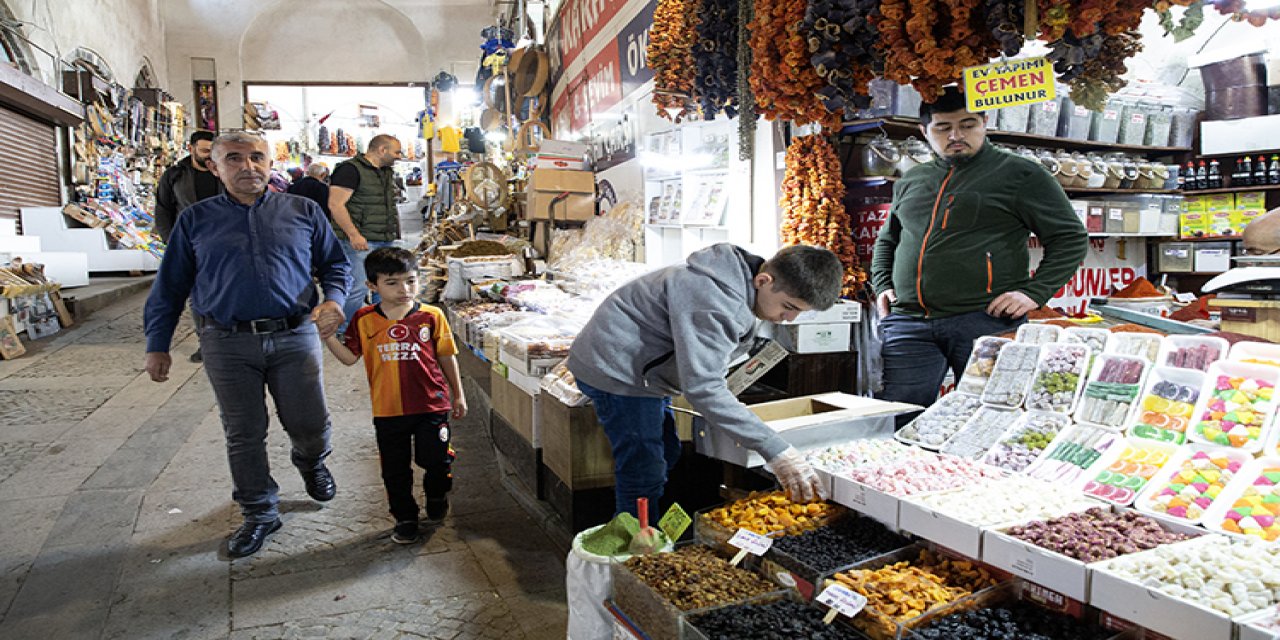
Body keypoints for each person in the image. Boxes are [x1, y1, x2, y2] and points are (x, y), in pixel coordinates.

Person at [142, 132, 351, 558]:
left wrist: (333, 299)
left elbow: (336, 264)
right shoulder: (195, 220)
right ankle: (259, 512)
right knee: (243, 432)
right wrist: (157, 342)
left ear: (271, 163)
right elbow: (170, 286)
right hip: (226, 341)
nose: (247, 167)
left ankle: (311, 461)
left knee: (309, 422)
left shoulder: (302, 210)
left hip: (295, 335)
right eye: (234, 159)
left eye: (257, 157)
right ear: (214, 168)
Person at [567, 243, 843, 516]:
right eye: (788, 306)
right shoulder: (715, 301)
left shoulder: (737, 278)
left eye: (799, 312)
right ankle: (634, 548)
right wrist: (777, 451)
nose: (788, 319)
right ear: (763, 280)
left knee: (667, 453)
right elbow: (702, 387)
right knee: (644, 469)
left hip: (646, 370)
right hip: (616, 370)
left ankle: (647, 522)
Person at [871, 86, 1088, 419]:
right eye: (943, 128)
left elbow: (1070, 238)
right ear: (924, 132)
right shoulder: (912, 180)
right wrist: (883, 283)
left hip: (983, 320)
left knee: (989, 415)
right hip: (909, 322)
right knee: (896, 417)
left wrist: (1035, 292)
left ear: (984, 123)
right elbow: (889, 239)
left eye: (968, 124)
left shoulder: (1021, 174)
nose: (956, 135)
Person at [322, 247, 467, 544]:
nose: (405, 289)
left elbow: (447, 357)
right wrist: (326, 337)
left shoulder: (432, 316)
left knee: (437, 461)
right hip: (388, 411)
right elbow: (350, 358)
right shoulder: (363, 320)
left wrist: (458, 395)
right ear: (372, 286)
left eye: (411, 281)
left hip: (431, 405)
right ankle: (405, 518)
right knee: (394, 470)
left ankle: (437, 494)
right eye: (393, 283)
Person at [329, 134, 404, 330]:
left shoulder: (385, 172)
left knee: (385, 284)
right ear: (382, 150)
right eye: (396, 152)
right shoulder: (350, 170)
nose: (399, 156)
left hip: (384, 238)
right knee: (357, 286)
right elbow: (336, 204)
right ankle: (344, 329)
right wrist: (354, 234)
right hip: (360, 240)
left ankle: (381, 326)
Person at [154, 130, 220, 242]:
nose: (209, 155)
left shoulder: (224, 175)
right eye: (204, 151)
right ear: (191, 149)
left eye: (213, 151)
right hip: (187, 240)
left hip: (219, 240)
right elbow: (163, 209)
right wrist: (170, 241)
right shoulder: (174, 175)